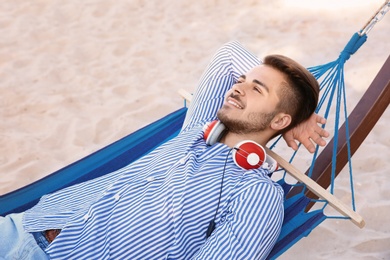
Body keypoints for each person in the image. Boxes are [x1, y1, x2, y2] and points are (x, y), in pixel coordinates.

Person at [0, 41, 327, 259]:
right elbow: (228, 53)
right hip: (21, 227)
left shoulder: (257, 195)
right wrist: (300, 114)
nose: (238, 86)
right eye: (240, 80)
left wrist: (292, 111)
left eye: (256, 89)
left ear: (280, 119)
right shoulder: (196, 129)